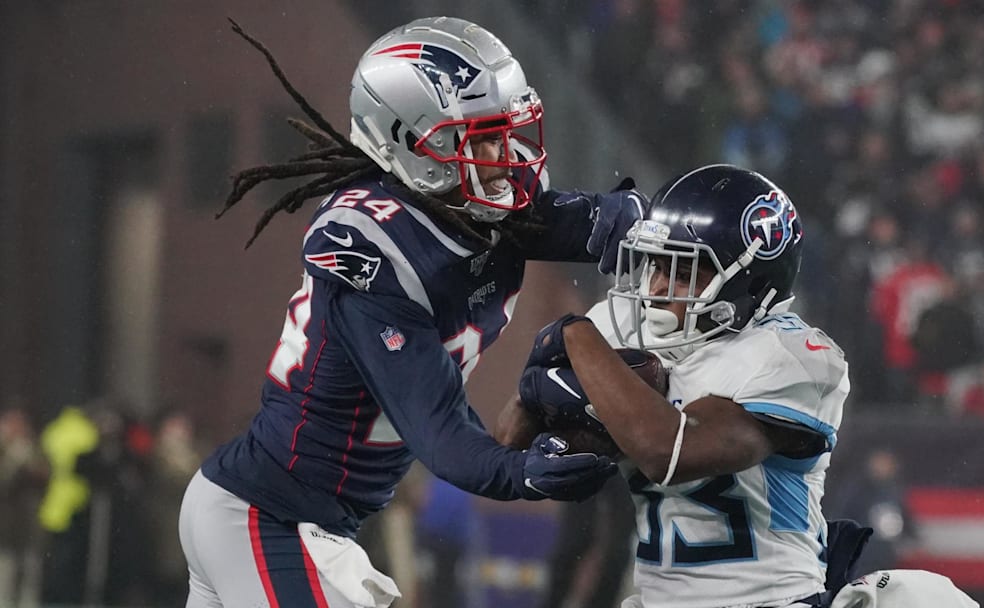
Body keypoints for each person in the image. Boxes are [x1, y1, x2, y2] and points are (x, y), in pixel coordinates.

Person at [179, 16, 644, 608]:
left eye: (507, 135)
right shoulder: (374, 255)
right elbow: (442, 436)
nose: (507, 159)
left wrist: (652, 221)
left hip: (301, 523)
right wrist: (521, 470)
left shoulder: (471, 208)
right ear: (414, 145)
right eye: (481, 140)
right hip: (264, 517)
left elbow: (593, 222)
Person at [503, 164, 849, 608]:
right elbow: (507, 454)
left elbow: (669, 453)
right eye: (656, 265)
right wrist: (531, 397)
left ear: (751, 281)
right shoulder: (622, 326)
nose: (661, 286)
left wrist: (575, 336)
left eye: (685, 272)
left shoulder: (789, 355)